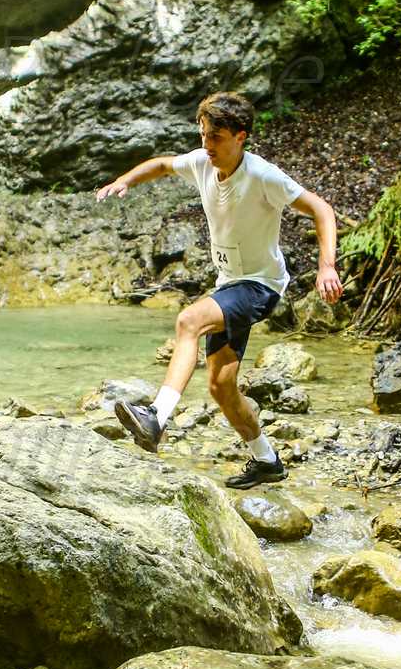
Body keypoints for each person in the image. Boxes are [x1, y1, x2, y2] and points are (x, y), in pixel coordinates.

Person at [94, 91, 342, 488]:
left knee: (189, 321)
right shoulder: (202, 162)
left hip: (260, 285)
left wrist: (326, 265)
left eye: (216, 137)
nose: (207, 145)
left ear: (240, 137)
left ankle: (156, 416)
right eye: (203, 134)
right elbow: (162, 165)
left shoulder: (263, 176)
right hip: (229, 284)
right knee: (221, 387)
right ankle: (267, 461)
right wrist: (125, 180)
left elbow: (322, 209)